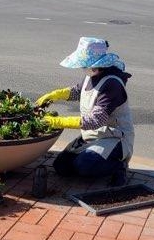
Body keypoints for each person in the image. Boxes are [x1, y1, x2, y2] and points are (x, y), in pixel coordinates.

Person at [36, 37, 134, 187]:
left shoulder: (112, 84)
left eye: (84, 64)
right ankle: (91, 162)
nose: (82, 67)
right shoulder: (91, 76)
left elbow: (95, 120)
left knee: (85, 165)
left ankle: (118, 167)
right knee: (61, 167)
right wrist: (54, 95)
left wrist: (58, 122)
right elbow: (76, 91)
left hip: (114, 138)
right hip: (92, 136)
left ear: (96, 64)